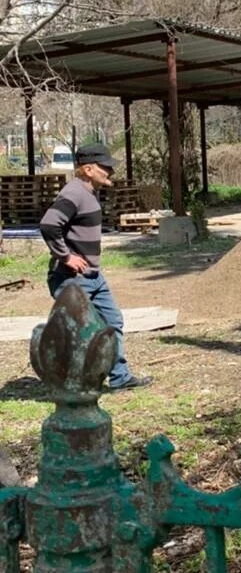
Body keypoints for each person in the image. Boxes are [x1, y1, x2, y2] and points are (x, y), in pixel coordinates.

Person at [40, 142, 152, 391]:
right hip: (71, 277)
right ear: (88, 169)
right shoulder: (74, 192)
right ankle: (68, 382)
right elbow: (49, 224)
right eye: (105, 167)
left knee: (112, 320)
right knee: (76, 332)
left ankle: (120, 377)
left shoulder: (88, 193)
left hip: (92, 276)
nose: (110, 172)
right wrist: (66, 257)